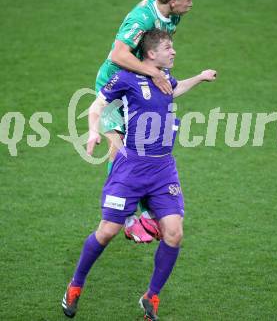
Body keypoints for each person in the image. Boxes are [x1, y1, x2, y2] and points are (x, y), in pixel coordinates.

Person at [62, 29, 217, 320]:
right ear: (150, 53)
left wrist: (200, 77)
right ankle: (75, 285)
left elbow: (176, 87)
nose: (173, 52)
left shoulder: (163, 77)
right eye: (168, 48)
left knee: (174, 233)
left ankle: (151, 297)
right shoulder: (125, 78)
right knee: (107, 231)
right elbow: (96, 107)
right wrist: (94, 132)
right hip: (131, 167)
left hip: (163, 169)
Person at [95, 0, 197, 242]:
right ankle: (124, 218)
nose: (191, 4)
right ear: (172, 1)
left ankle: (148, 211)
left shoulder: (172, 16)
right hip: (116, 83)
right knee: (118, 146)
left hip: (139, 81)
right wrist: (153, 74)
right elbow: (119, 54)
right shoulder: (142, 17)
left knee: (145, 144)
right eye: (187, 0)